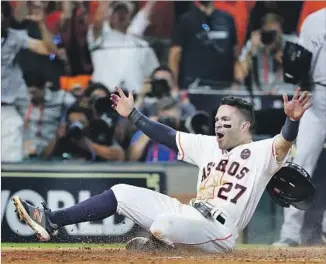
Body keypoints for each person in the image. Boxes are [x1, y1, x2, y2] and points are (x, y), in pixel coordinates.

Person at [12, 86, 311, 253]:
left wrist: (293, 120)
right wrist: (134, 115)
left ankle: (158, 248)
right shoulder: (208, 145)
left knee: (163, 224)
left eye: (226, 121)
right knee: (122, 193)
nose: (218, 124)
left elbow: (285, 141)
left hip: (220, 230)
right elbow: (167, 135)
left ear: (245, 126)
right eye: (217, 119)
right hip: (191, 214)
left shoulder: (261, 152)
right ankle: (51, 220)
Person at [273, 8, 326, 246]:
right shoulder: (315, 20)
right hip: (317, 96)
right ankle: (290, 234)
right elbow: (298, 65)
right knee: (300, 164)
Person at [1, 1, 57, 162]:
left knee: (10, 161)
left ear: (6, 17)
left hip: (6, 110)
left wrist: (40, 23)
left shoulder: (14, 38)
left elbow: (49, 50)